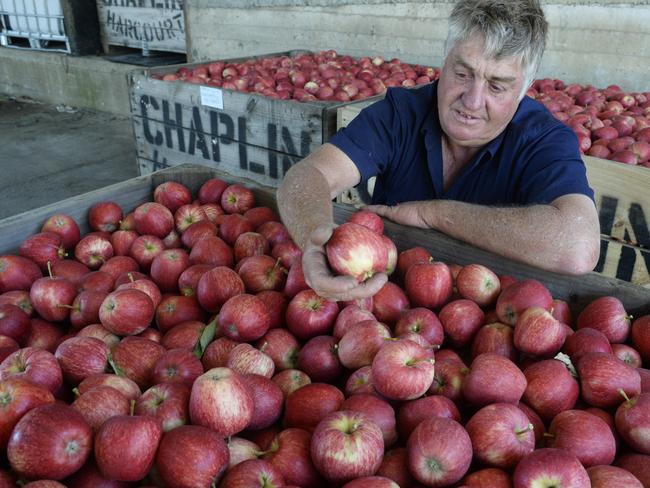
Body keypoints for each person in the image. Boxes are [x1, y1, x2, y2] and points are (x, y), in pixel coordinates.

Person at [276, 0, 600, 302]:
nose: (472, 101)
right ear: (444, 60)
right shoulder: (400, 115)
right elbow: (309, 175)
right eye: (462, 74)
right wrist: (314, 238)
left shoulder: (543, 140)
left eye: (497, 86)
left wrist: (434, 214)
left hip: (491, 326)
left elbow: (579, 246)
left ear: (524, 89)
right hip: (378, 301)